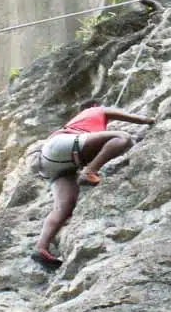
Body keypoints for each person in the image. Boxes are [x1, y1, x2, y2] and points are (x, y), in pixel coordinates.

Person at [31, 102, 155, 269]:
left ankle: (41, 247)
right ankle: (90, 171)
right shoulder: (95, 110)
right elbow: (136, 118)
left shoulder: (78, 123)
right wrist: (149, 120)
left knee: (64, 207)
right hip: (63, 146)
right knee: (122, 138)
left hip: (51, 162)